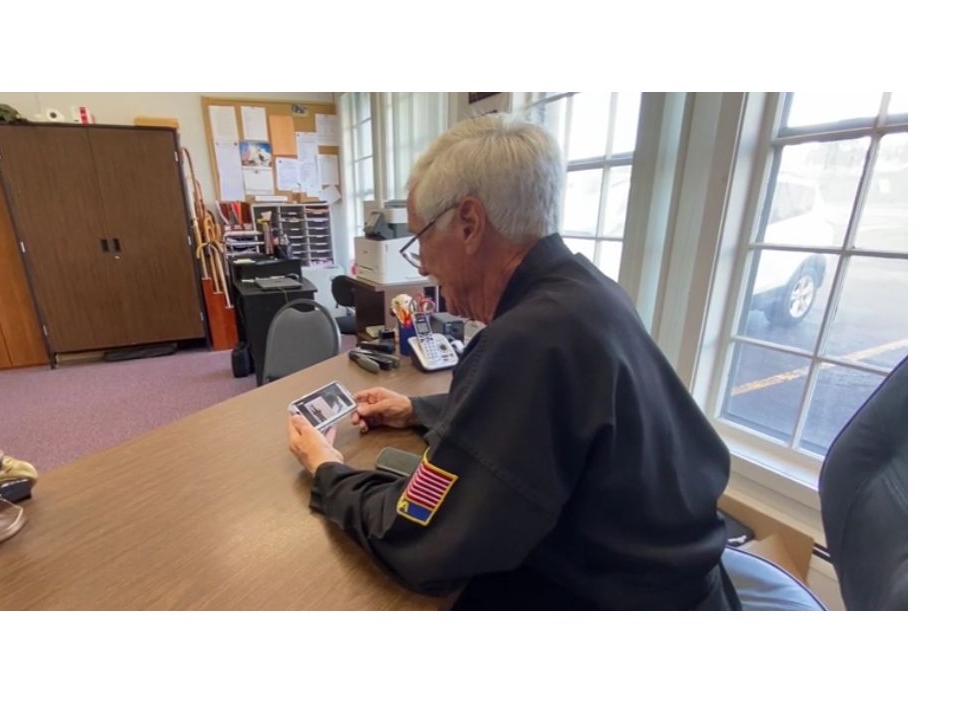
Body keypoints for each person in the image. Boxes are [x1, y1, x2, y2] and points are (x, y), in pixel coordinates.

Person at [286, 114, 736, 609]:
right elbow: (548, 419)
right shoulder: (589, 291)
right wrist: (417, 410)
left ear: (470, 224)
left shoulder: (527, 340)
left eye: (421, 240)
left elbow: (425, 540)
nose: (425, 266)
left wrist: (329, 472)